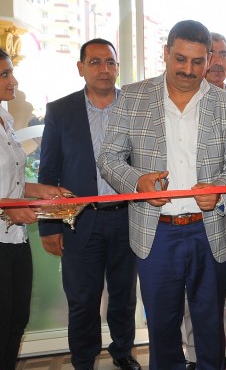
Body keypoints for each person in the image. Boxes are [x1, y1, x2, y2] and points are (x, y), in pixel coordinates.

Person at [97, 20, 226, 370]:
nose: (188, 70)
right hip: (156, 233)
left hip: (209, 230)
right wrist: (138, 183)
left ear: (209, 59)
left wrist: (220, 193)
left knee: (210, 326)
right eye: (180, 59)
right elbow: (109, 158)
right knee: (162, 329)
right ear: (165, 53)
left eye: (197, 61)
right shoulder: (133, 96)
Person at [38, 39, 141, 370]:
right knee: (82, 299)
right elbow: (48, 172)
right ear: (80, 68)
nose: (103, 69)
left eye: (110, 62)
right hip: (79, 221)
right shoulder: (61, 111)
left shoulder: (135, 107)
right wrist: (49, 225)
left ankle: (122, 351)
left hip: (127, 218)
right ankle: (83, 360)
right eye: (95, 62)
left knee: (124, 295)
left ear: (117, 68)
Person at [181, 31, 226, 370]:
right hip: (194, 213)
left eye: (223, 53)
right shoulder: (184, 99)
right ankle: (194, 354)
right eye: (211, 53)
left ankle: (223, 347)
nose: (218, 61)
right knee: (194, 289)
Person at [0, 48, 69, 370]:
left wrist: (39, 190)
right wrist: (6, 206)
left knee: (16, 320)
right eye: (4, 74)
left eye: (11, 72)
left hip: (15, 239)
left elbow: (9, 182)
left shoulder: (5, 119)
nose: (13, 81)